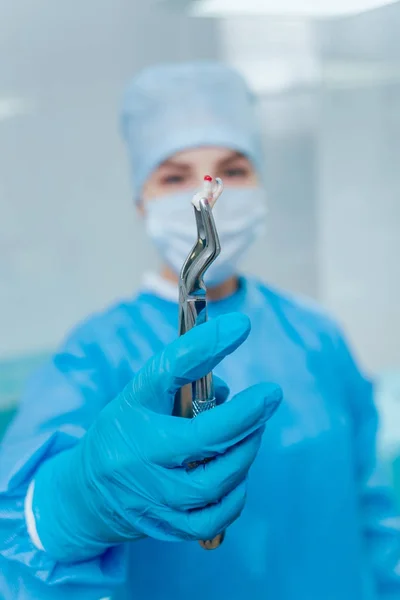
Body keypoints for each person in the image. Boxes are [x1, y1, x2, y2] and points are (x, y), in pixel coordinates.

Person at [0, 62, 399, 600]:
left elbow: (373, 505)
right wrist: (69, 505)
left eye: (232, 170)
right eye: (173, 176)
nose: (205, 193)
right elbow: (14, 539)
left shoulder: (317, 335)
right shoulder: (96, 352)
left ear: (258, 185)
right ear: (141, 200)